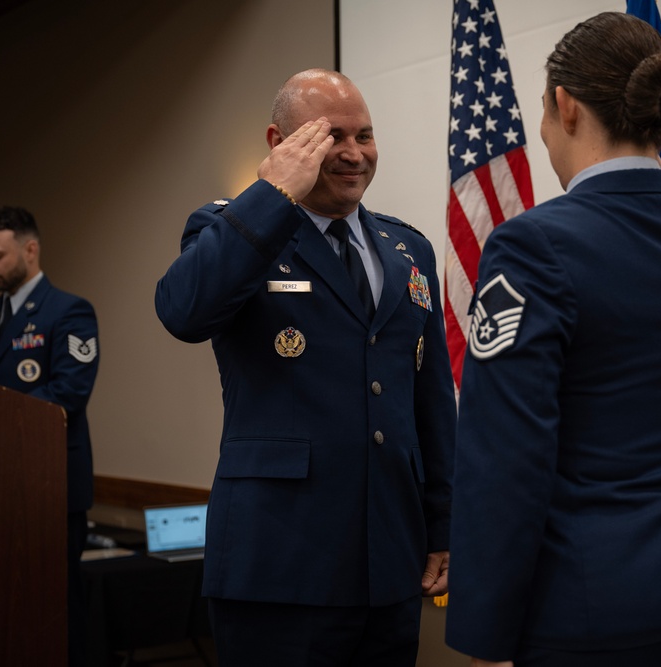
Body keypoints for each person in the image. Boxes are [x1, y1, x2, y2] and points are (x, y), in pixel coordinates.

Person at [445, 12, 661, 667]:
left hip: (587, 610)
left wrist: (484, 633)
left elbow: (503, 457)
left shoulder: (532, 248)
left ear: (566, 106)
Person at [155, 69, 455, 666]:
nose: (353, 154)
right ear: (279, 142)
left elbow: (430, 400)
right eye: (331, 136)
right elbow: (183, 312)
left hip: (389, 562)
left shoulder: (407, 248)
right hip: (279, 564)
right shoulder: (230, 227)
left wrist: (444, 525)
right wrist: (271, 198)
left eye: (364, 136)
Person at [0, 206, 100, 667]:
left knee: (54, 610)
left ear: (29, 249)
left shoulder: (69, 312)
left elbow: (69, 392)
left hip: (51, 491)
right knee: (0, 612)